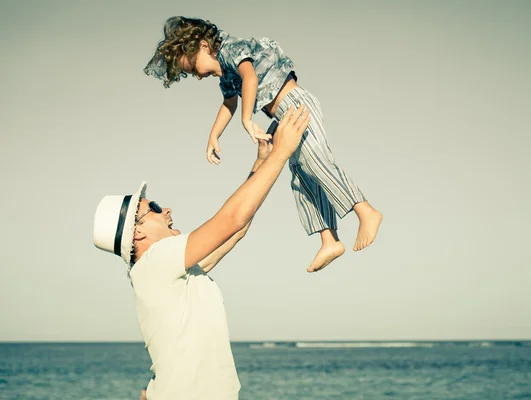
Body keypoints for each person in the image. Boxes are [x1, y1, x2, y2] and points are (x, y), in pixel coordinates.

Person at [93, 106, 310, 399]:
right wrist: (281, 153)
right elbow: (230, 219)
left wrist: (263, 160)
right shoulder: (157, 261)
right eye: (154, 208)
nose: (166, 209)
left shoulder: (169, 272)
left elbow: (237, 227)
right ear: (137, 233)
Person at [144, 16, 383, 273]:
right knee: (302, 177)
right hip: (283, 117)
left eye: (192, 68)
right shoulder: (224, 74)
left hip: (296, 105)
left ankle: (365, 210)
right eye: (190, 74)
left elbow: (250, 78)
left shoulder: (231, 49)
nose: (197, 76)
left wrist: (247, 119)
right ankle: (329, 239)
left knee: (317, 162)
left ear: (203, 46)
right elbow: (229, 103)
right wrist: (214, 135)